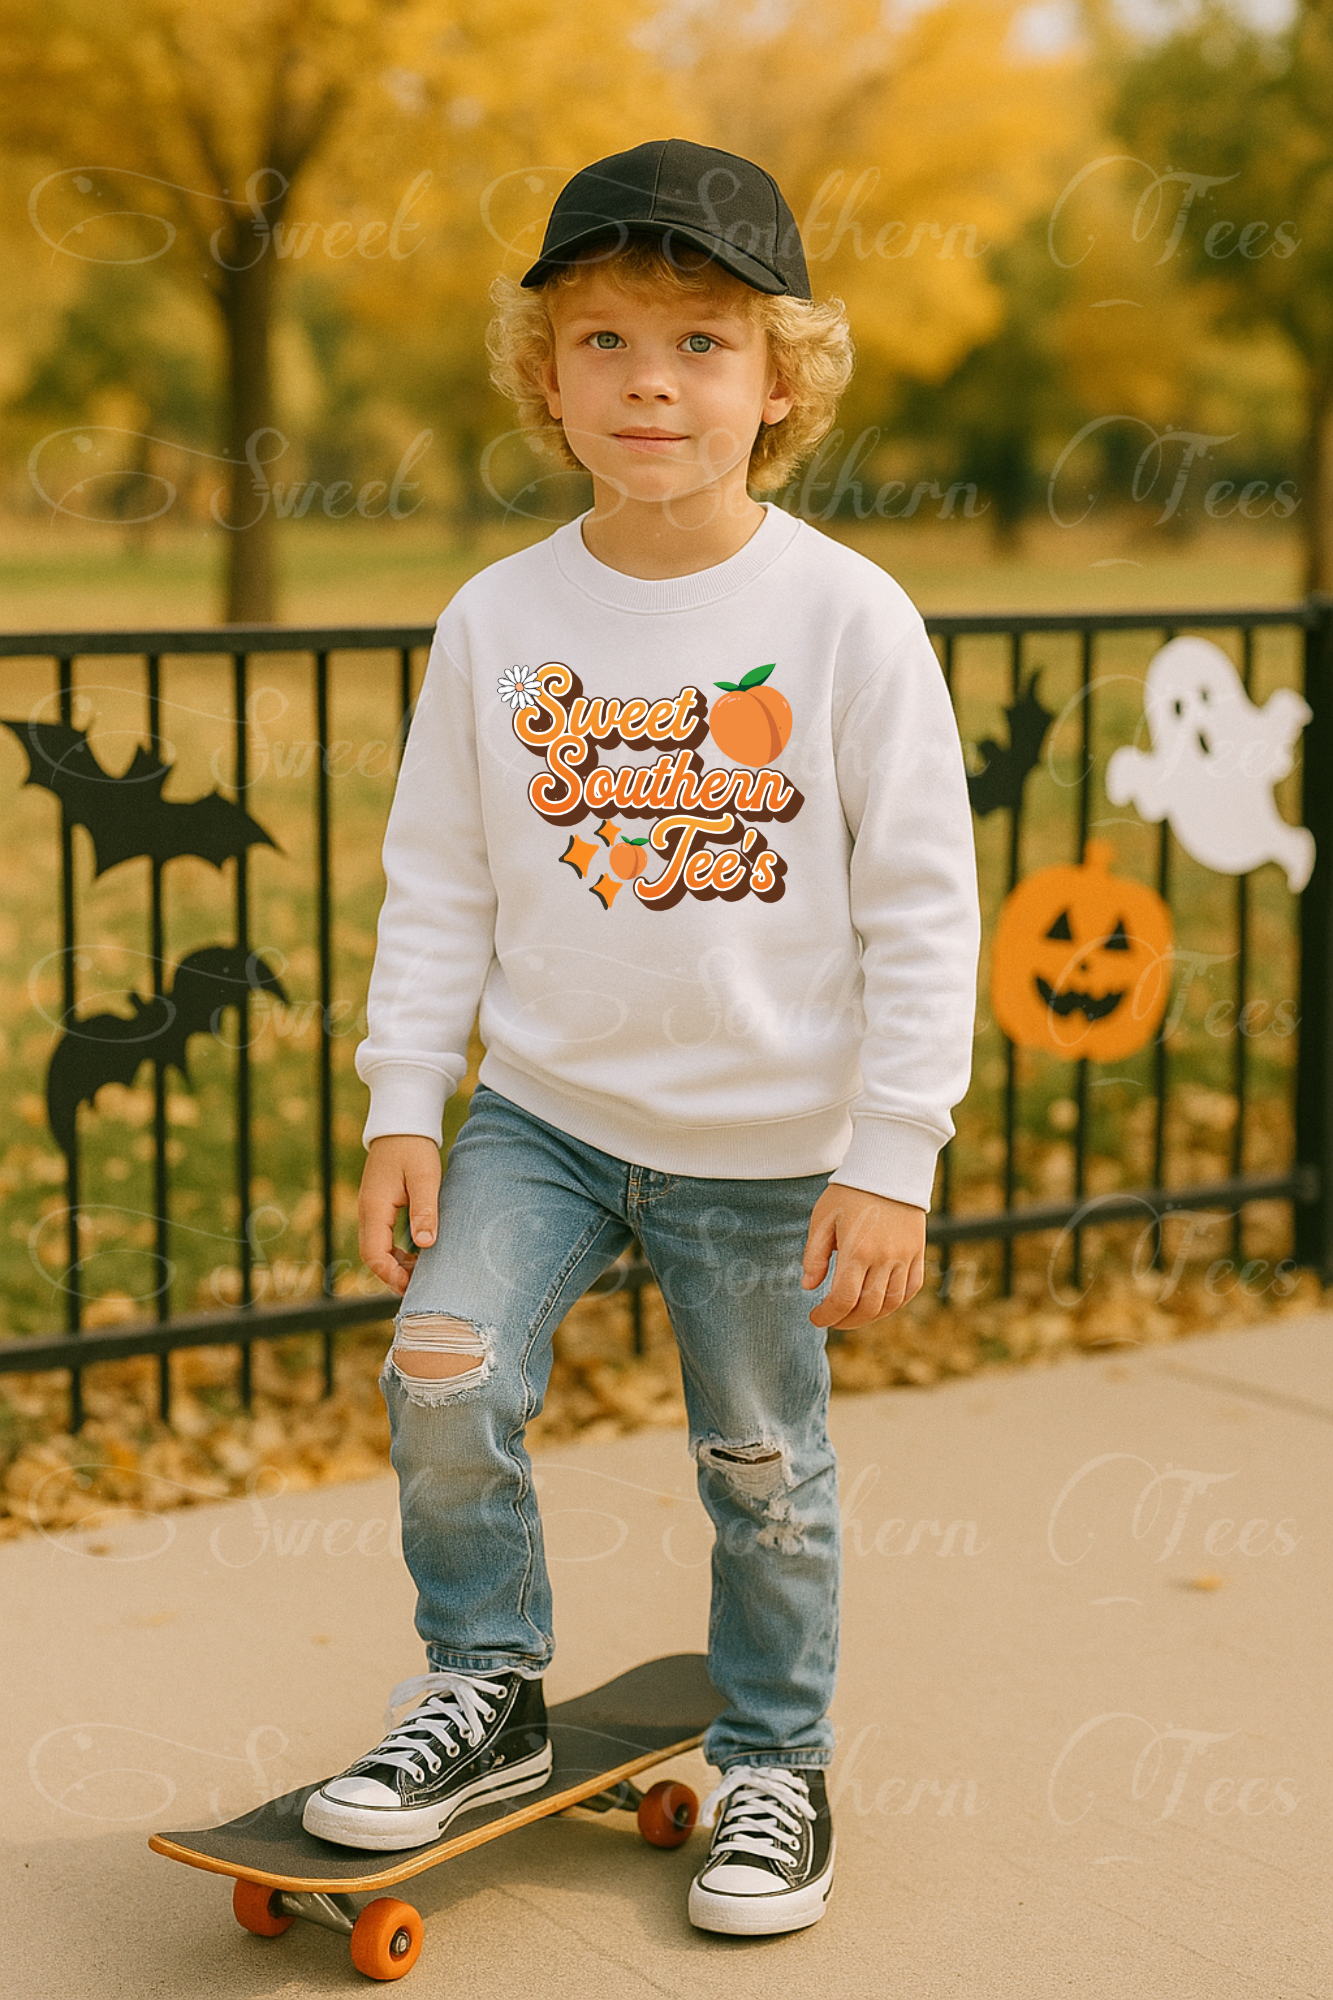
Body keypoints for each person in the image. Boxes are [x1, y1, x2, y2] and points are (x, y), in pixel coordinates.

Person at [302, 137, 980, 1937]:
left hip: (768, 1146)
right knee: (442, 1367)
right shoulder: (498, 617)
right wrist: (401, 1103)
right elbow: (438, 879)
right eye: (602, 340)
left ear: (780, 382)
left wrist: (893, 1151)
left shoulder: (845, 618)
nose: (650, 382)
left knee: (763, 1472)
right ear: (546, 375)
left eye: (700, 343)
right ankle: (486, 1688)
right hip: (544, 1113)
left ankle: (774, 1761)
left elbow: (925, 906)